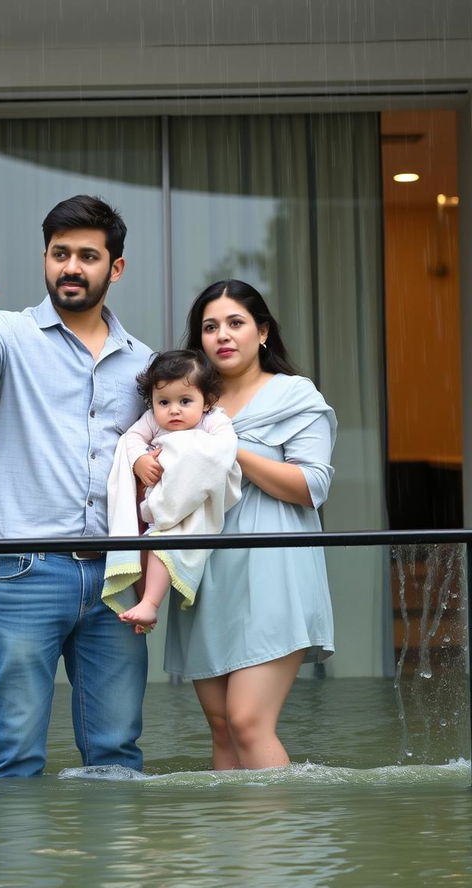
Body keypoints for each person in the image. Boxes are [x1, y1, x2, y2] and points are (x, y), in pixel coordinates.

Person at [0, 195, 152, 778]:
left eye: (87, 256)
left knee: (116, 753)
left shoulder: (145, 365)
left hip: (117, 577)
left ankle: (107, 869)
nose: (70, 267)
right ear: (46, 258)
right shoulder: (6, 333)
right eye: (59, 254)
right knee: (16, 752)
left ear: (115, 268)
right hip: (23, 568)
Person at [164, 280, 337, 771]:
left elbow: (311, 486)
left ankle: (277, 849)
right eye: (210, 327)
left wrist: (227, 449)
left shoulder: (294, 394)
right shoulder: (189, 403)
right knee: (220, 728)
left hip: (273, 571)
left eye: (236, 323)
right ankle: (228, 848)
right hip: (205, 575)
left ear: (262, 332)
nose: (223, 335)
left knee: (247, 722)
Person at [102, 349, 241, 630]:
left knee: (163, 545)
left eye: (185, 401)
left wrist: (183, 455)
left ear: (207, 402)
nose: (173, 409)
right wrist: (140, 459)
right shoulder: (152, 420)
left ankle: (151, 604)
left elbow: (222, 452)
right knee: (143, 547)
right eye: (163, 401)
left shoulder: (214, 420)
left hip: (192, 504)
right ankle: (142, 604)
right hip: (157, 501)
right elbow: (131, 439)